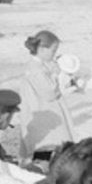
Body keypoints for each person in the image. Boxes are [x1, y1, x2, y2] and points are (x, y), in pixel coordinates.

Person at [18, 30, 76, 162]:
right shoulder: (35, 69)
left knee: (50, 144)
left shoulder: (40, 65)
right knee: (45, 145)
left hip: (43, 112)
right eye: (53, 51)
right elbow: (49, 93)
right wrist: (56, 77)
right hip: (41, 113)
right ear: (42, 49)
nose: (54, 54)